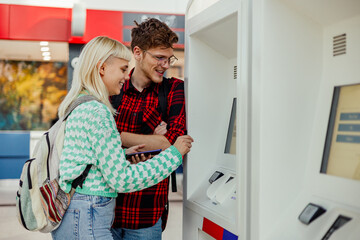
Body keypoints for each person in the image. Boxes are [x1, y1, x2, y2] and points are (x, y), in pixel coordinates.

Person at [51, 36, 193, 240]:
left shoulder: (81, 103)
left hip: (78, 212)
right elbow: (122, 179)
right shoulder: (98, 111)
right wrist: (174, 154)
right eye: (122, 69)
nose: (126, 76)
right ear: (101, 68)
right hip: (88, 216)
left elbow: (88, 158)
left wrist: (122, 153)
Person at [111, 18, 186, 240]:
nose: (166, 65)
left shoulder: (174, 89)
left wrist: (117, 137)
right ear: (138, 52)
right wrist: (152, 139)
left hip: (148, 214)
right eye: (159, 58)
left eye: (169, 58)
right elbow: (97, 141)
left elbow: (172, 142)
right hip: (107, 212)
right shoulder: (114, 88)